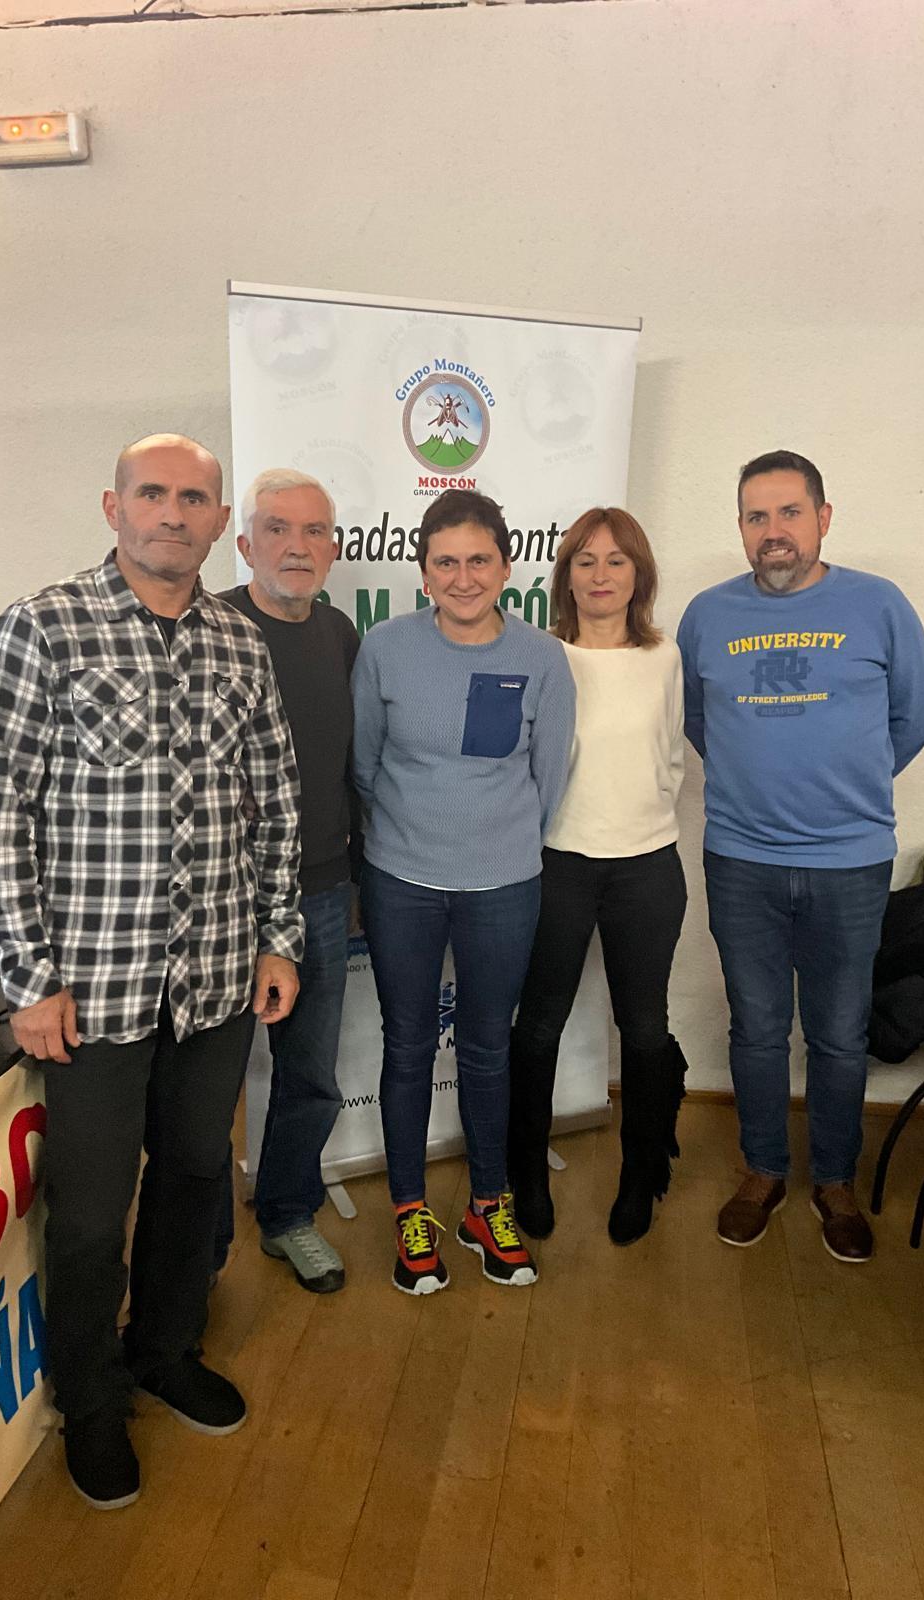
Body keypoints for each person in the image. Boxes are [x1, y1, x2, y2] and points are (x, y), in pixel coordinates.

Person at [0, 434, 305, 1511]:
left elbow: (279, 801)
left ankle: (165, 1348)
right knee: (88, 1212)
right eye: (152, 493)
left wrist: (279, 935)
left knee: (196, 1175)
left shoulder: (240, 645)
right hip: (92, 990)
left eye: (193, 497)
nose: (172, 511)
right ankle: (92, 1399)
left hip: (213, 979)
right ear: (112, 506)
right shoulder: (41, 626)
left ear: (218, 524)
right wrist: (27, 974)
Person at [677, 450, 924, 1262]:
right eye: (756, 516)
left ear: (824, 518)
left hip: (850, 862)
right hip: (742, 859)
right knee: (755, 1028)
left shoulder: (879, 604)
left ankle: (834, 1180)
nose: (773, 531)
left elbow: (914, 717)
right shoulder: (706, 615)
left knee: (837, 1029)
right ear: (742, 528)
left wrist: (846, 787)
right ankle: (762, 1170)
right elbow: (696, 718)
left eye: (790, 512)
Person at [352, 488, 575, 1294]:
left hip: (503, 883)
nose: (463, 575)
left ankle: (488, 1203)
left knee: (487, 1048)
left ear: (506, 567)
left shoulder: (543, 656)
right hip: (402, 880)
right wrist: (412, 837)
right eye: (445, 561)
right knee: (408, 1047)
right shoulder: (385, 648)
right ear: (422, 573)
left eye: (479, 559)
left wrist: (496, 839)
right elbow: (365, 764)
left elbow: (550, 774)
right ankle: (411, 1209)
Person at [508, 508, 688, 1248]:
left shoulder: (665, 657)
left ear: (639, 574)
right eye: (585, 561)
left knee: (644, 1031)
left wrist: (635, 817)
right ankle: (524, 1175)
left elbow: (672, 758)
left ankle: (641, 1173)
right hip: (557, 863)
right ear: (565, 576)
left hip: (646, 865)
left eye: (617, 561)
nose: (601, 575)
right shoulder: (541, 655)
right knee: (539, 1026)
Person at [213, 468, 359, 1294]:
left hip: (321, 894)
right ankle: (193, 1251)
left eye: (313, 532)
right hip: (220, 903)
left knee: (308, 1072)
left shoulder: (340, 635)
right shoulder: (211, 627)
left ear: (333, 548)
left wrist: (357, 882)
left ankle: (287, 1214)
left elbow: (354, 769)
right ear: (244, 542)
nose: (296, 547)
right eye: (276, 529)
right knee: (208, 1083)